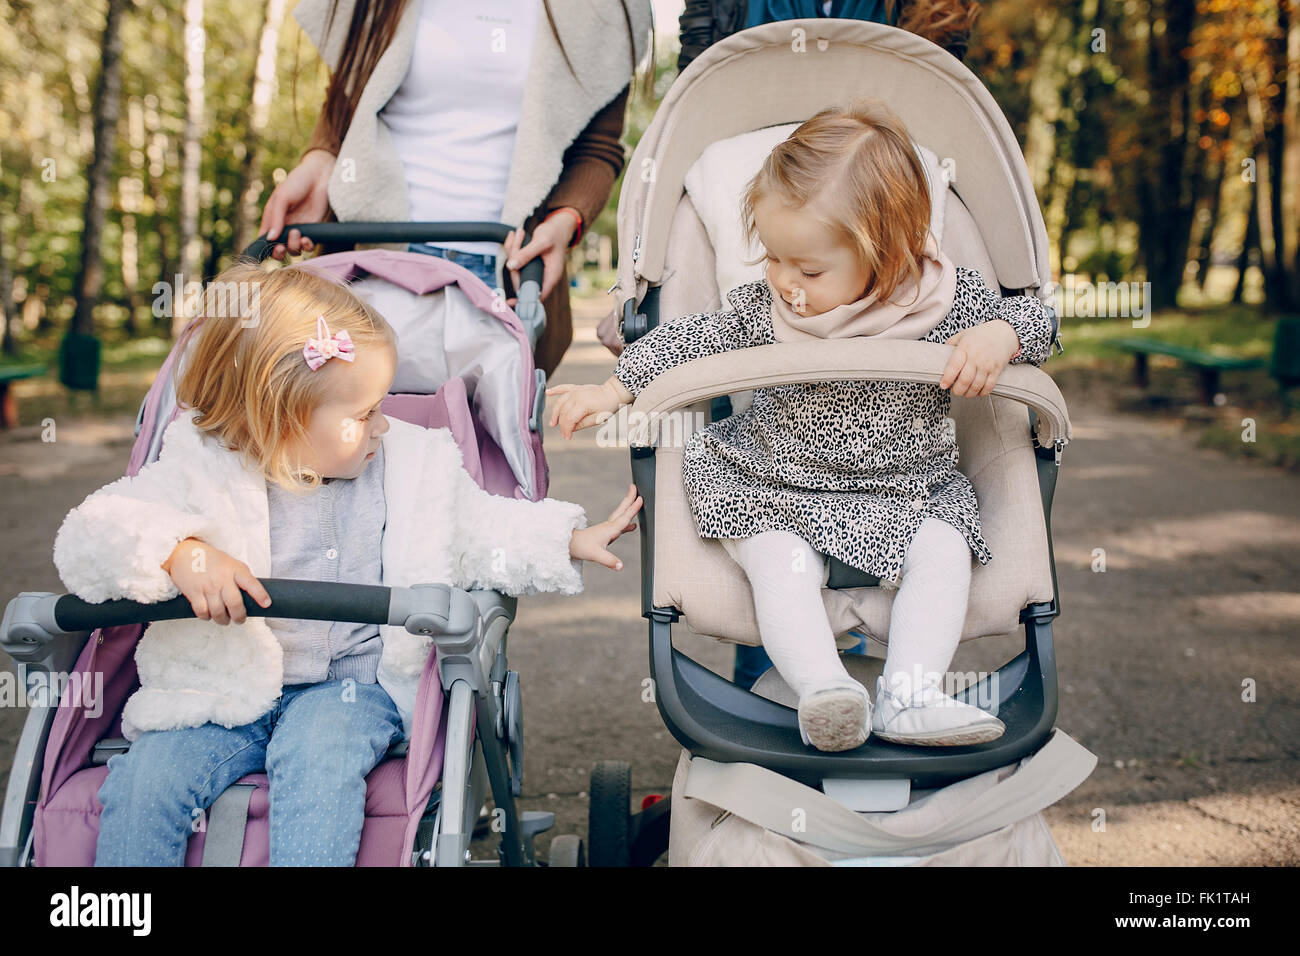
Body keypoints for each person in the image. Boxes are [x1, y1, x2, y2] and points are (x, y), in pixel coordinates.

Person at [53, 262, 642, 865]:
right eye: (363, 415)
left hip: (349, 690)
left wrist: (566, 538)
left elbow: (478, 527)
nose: (384, 423)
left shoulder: (414, 467)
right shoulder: (199, 468)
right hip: (215, 690)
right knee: (147, 781)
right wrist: (180, 552)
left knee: (321, 762)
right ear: (280, 417)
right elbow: (93, 533)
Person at [548, 100, 1055, 752]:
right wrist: (612, 388)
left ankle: (909, 697)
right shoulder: (770, 308)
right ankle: (825, 691)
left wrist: (1002, 333)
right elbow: (686, 343)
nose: (785, 282)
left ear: (890, 253)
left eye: (808, 269)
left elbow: (1042, 324)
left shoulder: (944, 302)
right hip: (774, 482)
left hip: (907, 488)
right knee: (778, 561)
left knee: (945, 551)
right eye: (773, 258)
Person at [258, 0, 652, 377]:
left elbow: (598, 148)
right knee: (351, 435)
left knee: (484, 444)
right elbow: (347, 101)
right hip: (371, 262)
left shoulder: (600, 9)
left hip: (505, 276)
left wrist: (565, 219)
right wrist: (319, 161)